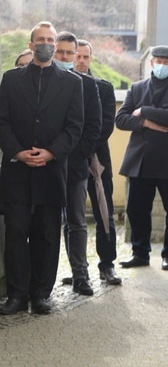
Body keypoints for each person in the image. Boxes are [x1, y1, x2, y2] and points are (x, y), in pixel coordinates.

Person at [0, 21, 84, 315]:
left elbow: (75, 127)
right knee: (16, 233)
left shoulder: (73, 83)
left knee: (47, 235)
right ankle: (17, 295)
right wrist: (18, 152)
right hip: (16, 171)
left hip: (51, 171)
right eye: (42, 39)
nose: (47, 43)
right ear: (31, 44)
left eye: (51, 39)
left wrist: (50, 153)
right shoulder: (10, 79)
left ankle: (41, 295)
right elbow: (3, 122)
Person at [116, 46, 168, 271]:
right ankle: (140, 252)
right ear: (151, 63)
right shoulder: (136, 88)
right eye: (158, 61)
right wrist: (146, 123)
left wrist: (143, 110)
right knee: (136, 210)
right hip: (140, 160)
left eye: (166, 62)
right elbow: (121, 119)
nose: (162, 65)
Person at [54, 32, 102, 296]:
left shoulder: (86, 84)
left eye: (69, 53)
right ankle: (44, 279)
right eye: (60, 52)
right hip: (47, 164)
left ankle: (81, 276)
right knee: (50, 223)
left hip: (75, 165)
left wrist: (76, 155)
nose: (64, 57)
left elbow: (93, 126)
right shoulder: (46, 80)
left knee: (77, 221)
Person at [75, 39, 122, 285]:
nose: (81, 60)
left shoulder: (104, 88)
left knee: (105, 214)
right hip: (69, 159)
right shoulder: (63, 85)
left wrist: (81, 147)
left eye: (86, 56)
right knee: (71, 216)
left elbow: (104, 126)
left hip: (97, 161)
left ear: (91, 59)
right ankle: (76, 268)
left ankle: (107, 265)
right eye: (77, 56)